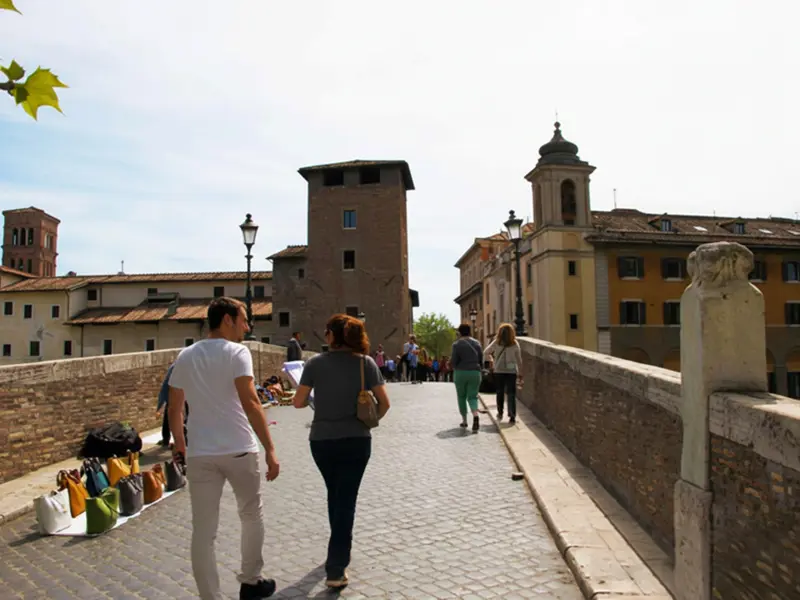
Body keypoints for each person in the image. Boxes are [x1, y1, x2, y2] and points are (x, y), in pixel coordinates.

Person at [168, 297, 280, 600]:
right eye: (243, 319)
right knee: (251, 514)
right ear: (227, 320)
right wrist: (270, 449)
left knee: (203, 531)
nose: (247, 326)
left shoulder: (186, 355)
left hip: (201, 452)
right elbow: (251, 401)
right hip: (239, 448)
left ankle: (210, 596)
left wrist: (181, 444)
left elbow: (175, 407)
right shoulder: (238, 352)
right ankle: (251, 581)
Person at [292, 314, 391, 590]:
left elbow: (298, 402)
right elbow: (385, 403)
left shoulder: (314, 364)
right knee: (345, 499)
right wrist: (369, 420)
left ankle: (336, 554)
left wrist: (313, 399)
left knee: (336, 494)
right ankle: (336, 566)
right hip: (356, 440)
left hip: (322, 441)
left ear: (332, 335)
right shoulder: (365, 364)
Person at [484, 323, 523, 424]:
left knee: (500, 392)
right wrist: (520, 373)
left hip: (499, 370)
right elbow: (519, 360)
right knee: (511, 393)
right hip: (511, 371)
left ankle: (500, 412)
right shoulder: (515, 343)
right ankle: (512, 415)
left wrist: (492, 359)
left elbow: (486, 352)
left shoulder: (496, 342)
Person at [451, 324, 483, 432]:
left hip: (461, 372)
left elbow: (454, 361)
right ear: (470, 331)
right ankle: (475, 415)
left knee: (461, 396)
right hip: (475, 372)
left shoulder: (456, 345)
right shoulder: (477, 343)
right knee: (473, 396)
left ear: (459, 332)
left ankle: (464, 420)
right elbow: (481, 359)